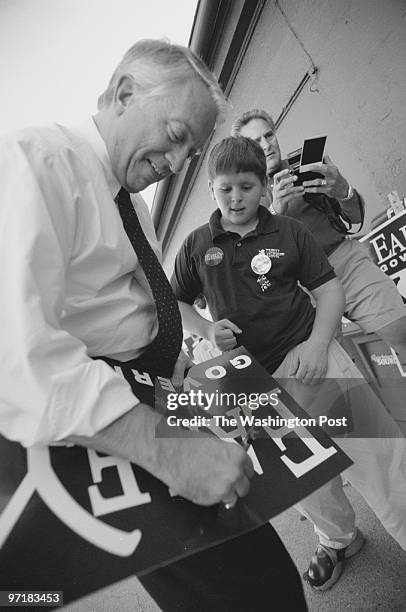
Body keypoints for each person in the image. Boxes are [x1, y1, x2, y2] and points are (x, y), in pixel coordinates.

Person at [0, 41, 308, 610]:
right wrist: (168, 453)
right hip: (107, 433)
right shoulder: (32, 161)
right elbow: (15, 354)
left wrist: (177, 367)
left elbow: (120, 315)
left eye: (190, 152)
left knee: (256, 568)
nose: (175, 161)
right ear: (124, 93)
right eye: (174, 134)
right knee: (248, 590)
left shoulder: (129, 202)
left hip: (155, 398)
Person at [171, 135, 406, 591]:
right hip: (256, 389)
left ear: (263, 186)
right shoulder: (198, 246)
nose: (236, 198)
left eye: (246, 186)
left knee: (382, 459)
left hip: (315, 363)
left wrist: (319, 345)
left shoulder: (289, 231)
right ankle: (339, 539)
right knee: (310, 486)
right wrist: (204, 330)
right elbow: (173, 303)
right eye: (225, 189)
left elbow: (329, 290)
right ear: (210, 190)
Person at [231, 109, 406, 361]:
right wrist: (274, 212)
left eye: (269, 135)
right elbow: (252, 261)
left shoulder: (307, 167)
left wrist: (343, 189)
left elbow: (356, 218)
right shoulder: (241, 198)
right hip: (300, 289)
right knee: (333, 367)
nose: (266, 145)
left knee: (400, 329)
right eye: (255, 142)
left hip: (344, 262)